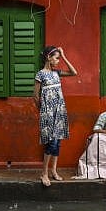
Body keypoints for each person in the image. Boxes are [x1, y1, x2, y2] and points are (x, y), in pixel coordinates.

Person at [34, 46, 77, 186]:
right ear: (48, 57)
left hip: (60, 111)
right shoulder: (40, 74)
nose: (58, 61)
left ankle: (54, 170)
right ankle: (44, 173)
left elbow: (73, 72)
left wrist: (64, 56)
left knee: (57, 142)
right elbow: (35, 96)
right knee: (51, 142)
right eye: (57, 58)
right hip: (47, 112)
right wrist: (43, 110)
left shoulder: (57, 73)